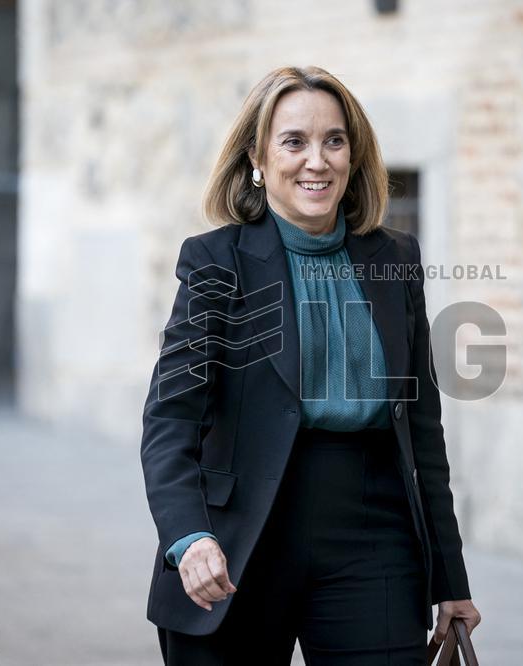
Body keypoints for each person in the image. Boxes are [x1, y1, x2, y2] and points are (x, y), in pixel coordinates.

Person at [140, 65, 480, 665]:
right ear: (258, 157)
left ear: (354, 155)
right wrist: (188, 538)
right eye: (293, 141)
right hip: (240, 540)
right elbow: (171, 418)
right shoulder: (215, 261)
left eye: (334, 140)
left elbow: (422, 427)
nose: (316, 161)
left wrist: (451, 579)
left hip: (373, 537)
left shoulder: (395, 257)